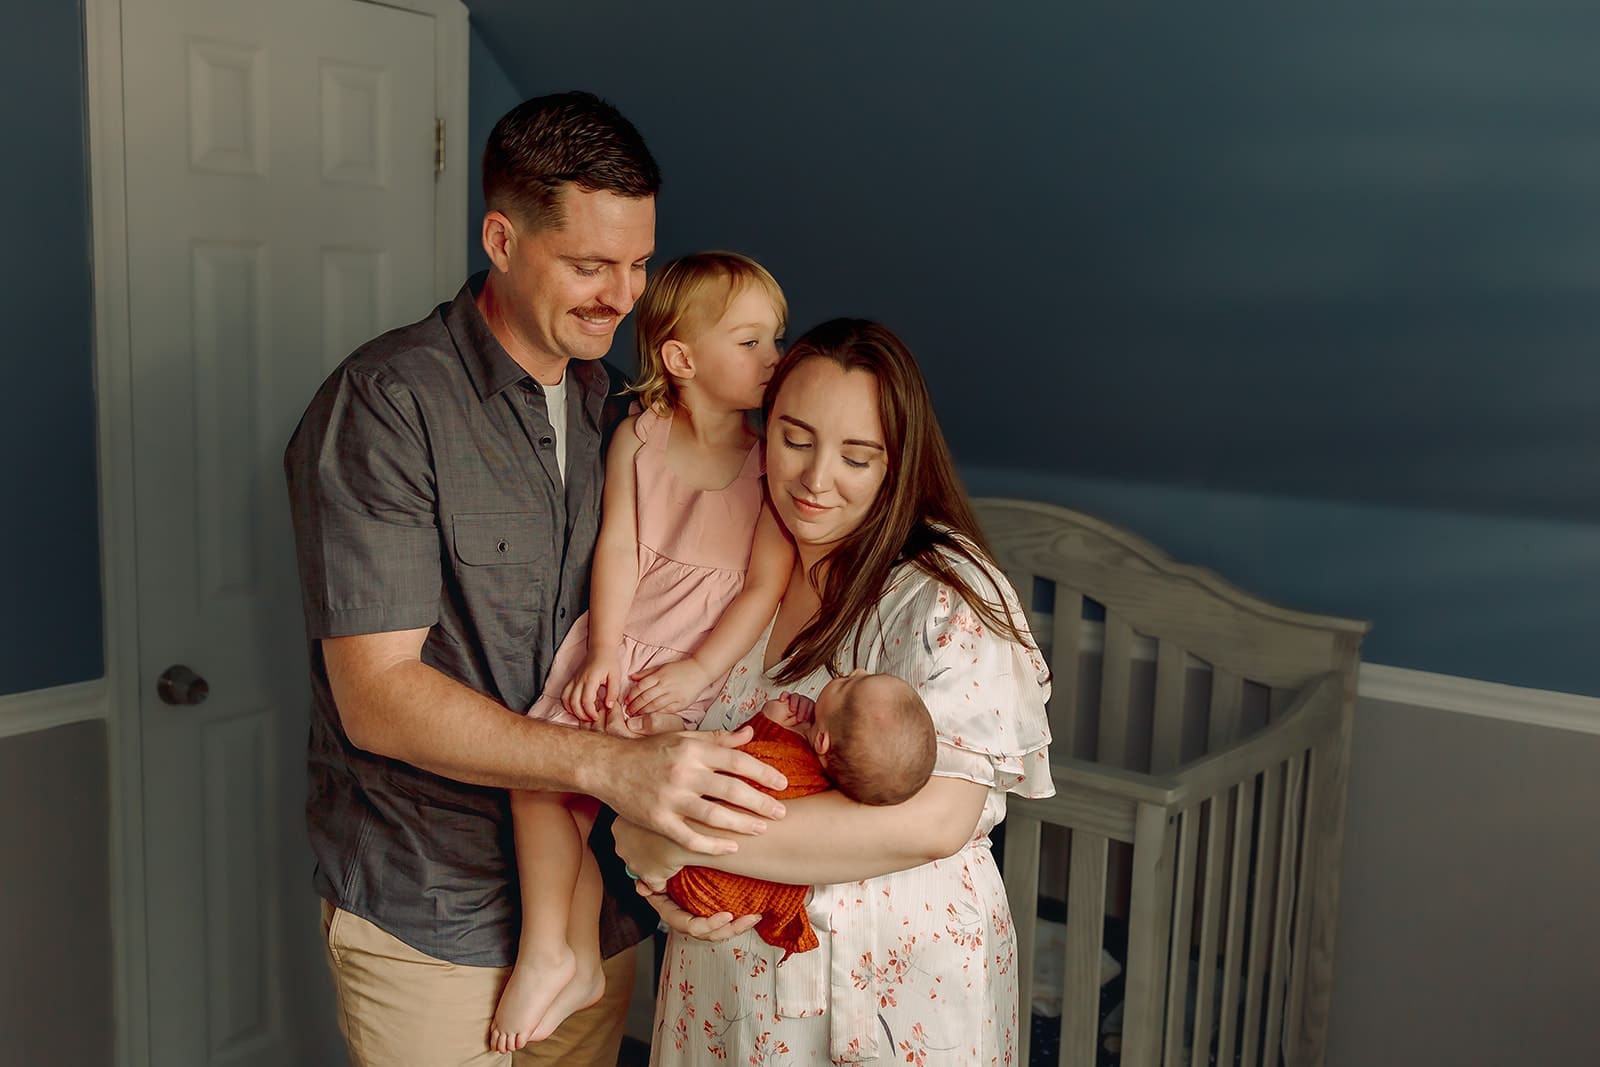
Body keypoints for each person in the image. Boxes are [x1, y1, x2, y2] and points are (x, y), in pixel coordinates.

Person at [283, 92, 787, 1067]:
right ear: (502, 238)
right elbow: (378, 699)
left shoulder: (623, 410)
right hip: (435, 911)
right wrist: (608, 765)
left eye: (638, 264)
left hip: (601, 909)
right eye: (591, 266)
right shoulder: (388, 405)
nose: (623, 295)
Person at [614, 318, 1056, 1064]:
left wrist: (675, 834)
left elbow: (934, 820)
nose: (817, 480)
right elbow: (652, 755)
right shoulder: (723, 577)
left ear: (898, 462)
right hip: (727, 997)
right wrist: (641, 844)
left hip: (889, 997)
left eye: (857, 456)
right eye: (795, 440)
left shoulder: (947, 597)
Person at [489, 251, 793, 1051]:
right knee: (540, 778)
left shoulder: (768, 463)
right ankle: (557, 947)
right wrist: (603, 653)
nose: (776, 359)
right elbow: (617, 551)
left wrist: (693, 671)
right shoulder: (640, 435)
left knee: (657, 819)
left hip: (696, 664)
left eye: (776, 340)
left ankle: (576, 946)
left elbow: (763, 586)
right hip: (620, 644)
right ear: (682, 359)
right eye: (753, 342)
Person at [665, 670, 936, 963]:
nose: (855, 671)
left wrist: (769, 721)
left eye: (848, 684)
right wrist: (810, 723)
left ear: (822, 742)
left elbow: (739, 760)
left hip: (701, 880)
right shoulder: (831, 781)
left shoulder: (787, 767)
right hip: (717, 900)